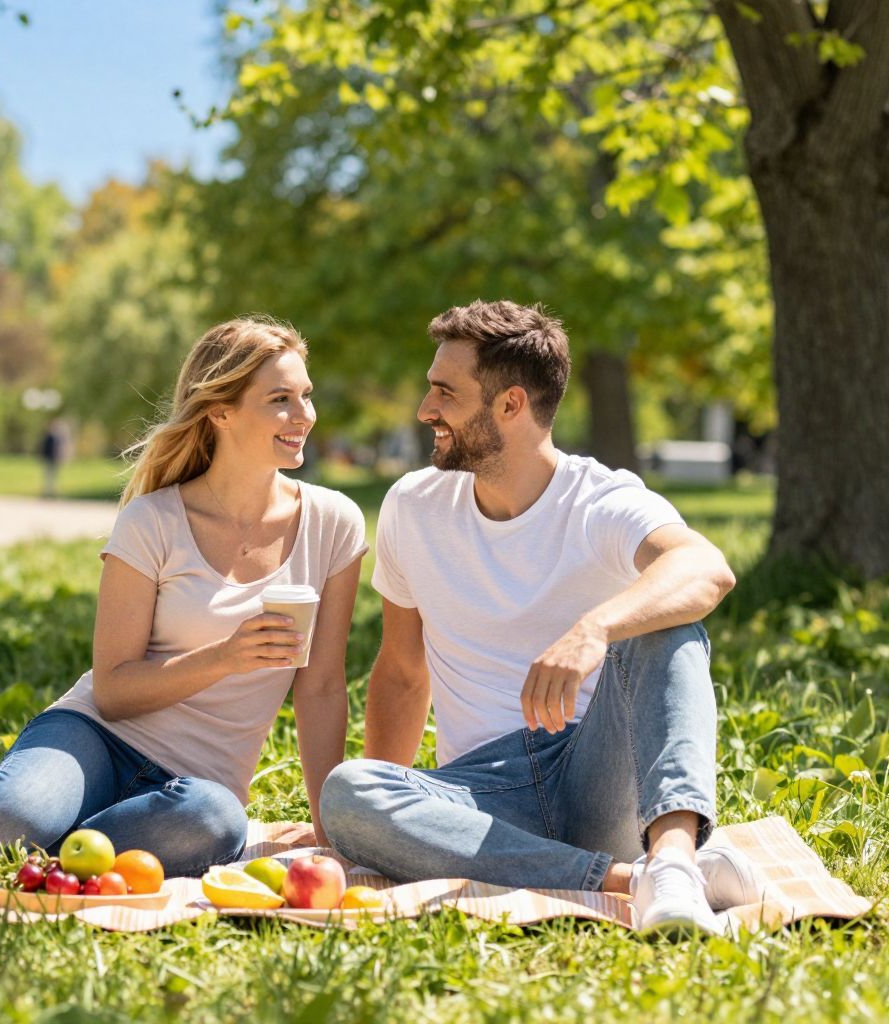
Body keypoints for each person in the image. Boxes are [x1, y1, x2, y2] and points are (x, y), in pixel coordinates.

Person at [0, 316, 368, 877]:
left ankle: (49, 850)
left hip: (196, 788)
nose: (304, 415)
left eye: (306, 395)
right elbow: (112, 691)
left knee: (214, 823)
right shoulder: (153, 521)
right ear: (220, 410)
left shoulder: (334, 523)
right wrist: (224, 657)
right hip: (95, 739)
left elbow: (323, 687)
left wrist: (329, 834)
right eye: (280, 399)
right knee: (10, 809)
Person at [317, 300, 759, 935]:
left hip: (599, 776)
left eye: (444, 392)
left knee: (669, 625)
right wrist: (384, 811)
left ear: (510, 405)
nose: (425, 410)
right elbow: (401, 672)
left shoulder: (599, 499)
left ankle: (670, 855)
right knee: (348, 793)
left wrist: (596, 628)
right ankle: (645, 879)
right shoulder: (413, 507)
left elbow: (706, 568)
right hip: (483, 797)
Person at [38, 418, 69, 498]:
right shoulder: (48, 437)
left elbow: (59, 449)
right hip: (48, 459)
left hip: (55, 459)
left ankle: (53, 492)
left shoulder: (57, 438)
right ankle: (47, 492)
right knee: (48, 476)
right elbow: (44, 448)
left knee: (54, 476)